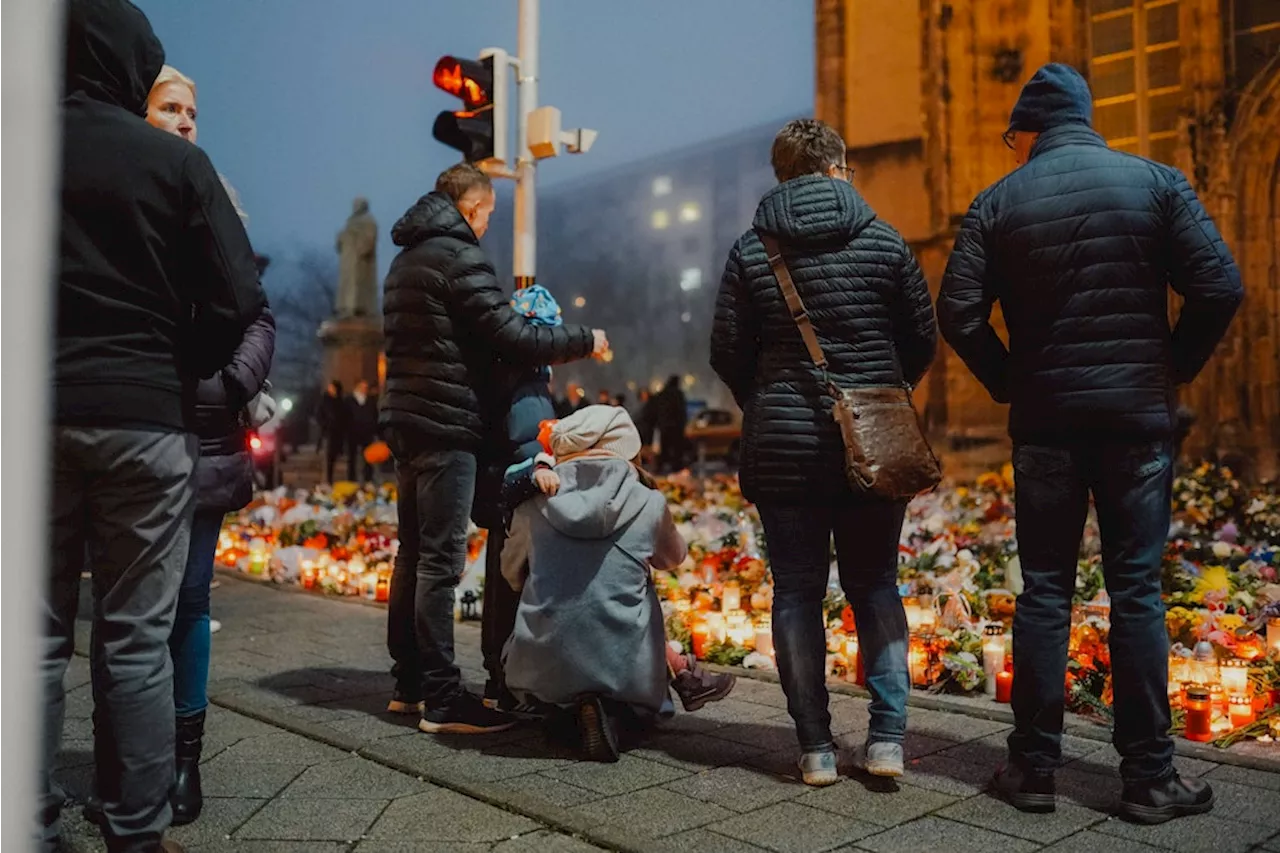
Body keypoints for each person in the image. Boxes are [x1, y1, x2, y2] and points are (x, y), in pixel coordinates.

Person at [938, 64, 1242, 823]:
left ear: (1031, 130)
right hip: (1136, 422)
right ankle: (1148, 778)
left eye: (1015, 138)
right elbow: (1220, 286)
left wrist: (1010, 378)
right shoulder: (1157, 183)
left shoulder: (996, 204)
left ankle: (1034, 768)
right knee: (1134, 588)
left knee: (1045, 588)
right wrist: (1170, 367)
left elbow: (957, 312)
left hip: (1045, 425)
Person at [48, 2, 266, 850]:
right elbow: (240, 298)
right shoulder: (175, 167)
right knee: (137, 635)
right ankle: (137, 828)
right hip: (146, 417)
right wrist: (186, 360)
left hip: (40, 414)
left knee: (34, 638)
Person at [710, 118, 936, 786]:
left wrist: (771, 400)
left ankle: (814, 748)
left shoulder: (752, 250)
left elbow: (727, 350)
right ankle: (888, 739)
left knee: (798, 593)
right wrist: (880, 399)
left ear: (782, 174)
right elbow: (919, 339)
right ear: (840, 166)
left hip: (784, 446)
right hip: (872, 443)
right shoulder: (886, 241)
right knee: (875, 585)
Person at [380, 162, 607, 734]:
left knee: (412, 553)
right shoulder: (459, 256)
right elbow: (510, 333)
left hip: (405, 420)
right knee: (439, 559)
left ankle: (407, 685)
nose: (486, 227)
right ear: (473, 208)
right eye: (487, 216)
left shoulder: (405, 259)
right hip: (445, 423)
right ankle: (442, 698)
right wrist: (585, 339)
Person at [145, 64, 276, 828]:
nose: (187, 120)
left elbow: (258, 315)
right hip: (135, 419)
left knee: (190, 597)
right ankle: (129, 754)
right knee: (135, 607)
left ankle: (183, 756)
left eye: (193, 109)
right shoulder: (119, 196)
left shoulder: (221, 203)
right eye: (171, 107)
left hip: (205, 431)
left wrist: (230, 385)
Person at [502, 406, 735, 762]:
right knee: (638, 583)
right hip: (628, 664)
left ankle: (569, 713)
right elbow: (674, 558)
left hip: (541, 661)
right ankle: (619, 710)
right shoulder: (648, 502)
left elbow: (510, 573)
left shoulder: (533, 503)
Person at [653, 376, 689, 473]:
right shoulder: (678, 394)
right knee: (677, 449)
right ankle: (676, 467)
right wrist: (684, 424)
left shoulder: (662, 395)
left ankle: (659, 467)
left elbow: (656, 411)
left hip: (664, 426)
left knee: (664, 448)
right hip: (677, 427)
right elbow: (682, 411)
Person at [346, 379, 379, 483]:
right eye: (363, 387)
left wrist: (374, 428)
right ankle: (351, 478)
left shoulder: (370, 400)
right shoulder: (349, 400)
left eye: (366, 387)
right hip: (353, 431)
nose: (365, 389)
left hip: (367, 432)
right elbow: (344, 416)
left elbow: (374, 415)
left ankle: (368, 478)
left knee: (368, 456)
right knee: (352, 457)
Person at [318, 380, 347, 482]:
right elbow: (319, 415)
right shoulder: (325, 400)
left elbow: (344, 416)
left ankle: (334, 479)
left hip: (338, 433)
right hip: (328, 432)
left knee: (335, 457)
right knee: (328, 457)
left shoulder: (341, 402)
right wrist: (325, 425)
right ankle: (327, 480)